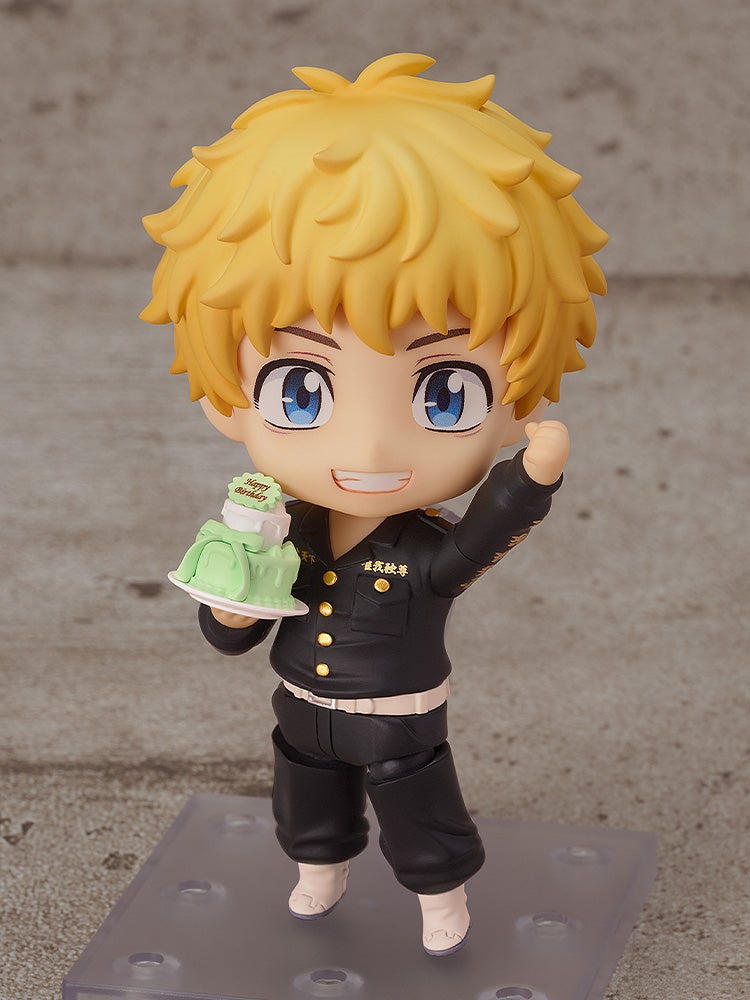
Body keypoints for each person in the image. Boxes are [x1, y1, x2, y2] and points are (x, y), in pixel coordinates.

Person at [141, 52, 607, 956]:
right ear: (225, 399)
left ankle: (439, 894)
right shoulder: (284, 525)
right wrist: (230, 611)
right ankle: (318, 868)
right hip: (300, 708)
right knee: (304, 796)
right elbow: (231, 627)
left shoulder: (422, 548)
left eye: (444, 394)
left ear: (518, 396)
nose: (369, 452)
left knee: (418, 805)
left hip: (398, 718)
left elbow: (476, 542)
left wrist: (530, 479)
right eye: (300, 392)